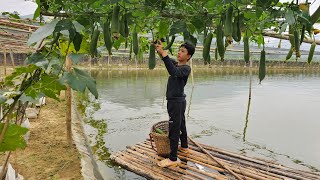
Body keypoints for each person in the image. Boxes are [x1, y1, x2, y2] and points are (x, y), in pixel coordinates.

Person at [155, 41, 195, 168]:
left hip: (176, 102)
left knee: (174, 128)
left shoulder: (185, 68)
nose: (179, 52)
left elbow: (173, 72)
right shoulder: (177, 64)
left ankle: (173, 158)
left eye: (183, 51)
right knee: (181, 124)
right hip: (178, 102)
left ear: (188, 56)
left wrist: (164, 54)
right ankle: (184, 146)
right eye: (179, 50)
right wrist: (159, 50)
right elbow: (168, 62)